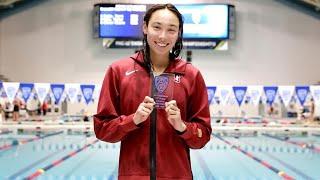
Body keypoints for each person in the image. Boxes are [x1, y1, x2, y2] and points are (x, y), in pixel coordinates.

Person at [94, 4, 211, 180]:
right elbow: (102, 129)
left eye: (171, 30)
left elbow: (203, 136)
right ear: (145, 27)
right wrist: (132, 120)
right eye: (157, 27)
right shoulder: (118, 71)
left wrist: (182, 126)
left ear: (178, 33)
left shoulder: (191, 75)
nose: (163, 36)